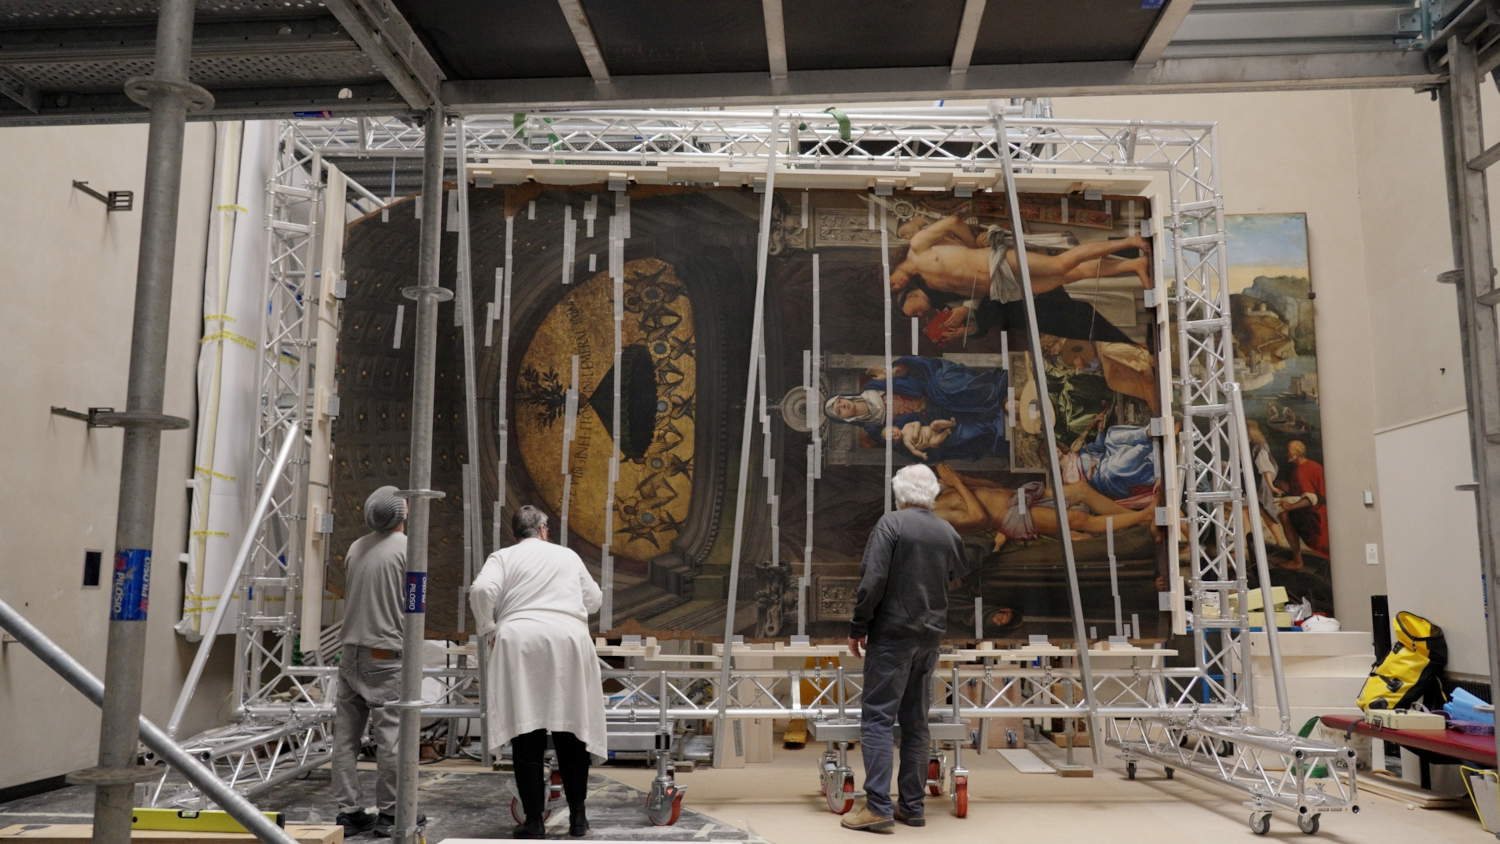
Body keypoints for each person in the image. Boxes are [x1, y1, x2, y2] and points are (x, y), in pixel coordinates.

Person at [469, 506, 606, 838]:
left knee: (525, 732)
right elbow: (595, 600)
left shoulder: (501, 557)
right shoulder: (567, 556)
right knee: (571, 731)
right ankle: (577, 818)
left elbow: (481, 591)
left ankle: (534, 821)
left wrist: (489, 627)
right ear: (544, 529)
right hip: (567, 639)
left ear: (516, 533)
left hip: (520, 640)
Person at [842, 465, 965, 832]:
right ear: (933, 493)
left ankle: (878, 806)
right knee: (916, 722)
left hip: (892, 635)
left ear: (899, 493)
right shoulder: (948, 531)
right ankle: (912, 807)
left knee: (878, 718)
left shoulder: (891, 525)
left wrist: (858, 626)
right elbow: (956, 576)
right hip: (929, 636)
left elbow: (872, 581)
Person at [333, 486, 418, 838]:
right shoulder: (408, 548)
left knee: (345, 738)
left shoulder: (356, 547)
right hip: (385, 655)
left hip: (350, 651)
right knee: (391, 738)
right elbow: (415, 602)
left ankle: (349, 811)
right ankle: (390, 814)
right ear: (401, 513)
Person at [889, 214, 1152, 304]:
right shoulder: (929, 282)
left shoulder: (918, 246)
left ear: (890, 268)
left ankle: (1131, 242)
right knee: (1069, 276)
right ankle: (1133, 264)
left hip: (995, 261)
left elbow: (953, 221)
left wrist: (971, 246)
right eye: (894, 290)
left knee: (1060, 263)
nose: (896, 286)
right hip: (1001, 288)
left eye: (891, 283)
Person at [823, 356, 1010, 462]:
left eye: (839, 401)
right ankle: (997, 425)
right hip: (927, 420)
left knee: (948, 385)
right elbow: (895, 440)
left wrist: (898, 370)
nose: (841, 405)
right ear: (845, 419)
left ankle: (995, 392)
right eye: (838, 411)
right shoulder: (872, 428)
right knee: (948, 436)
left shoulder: (873, 386)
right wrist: (896, 437)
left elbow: (905, 371)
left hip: (930, 392)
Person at [1276, 440, 1328, 570]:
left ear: (1297, 453)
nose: (1286, 453)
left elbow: (1313, 498)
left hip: (1315, 513)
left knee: (1284, 515)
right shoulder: (1297, 470)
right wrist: (1285, 488)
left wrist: (1290, 507)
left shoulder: (1310, 468)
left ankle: (1297, 560)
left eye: (1288, 451)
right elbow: (1299, 493)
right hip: (1307, 509)